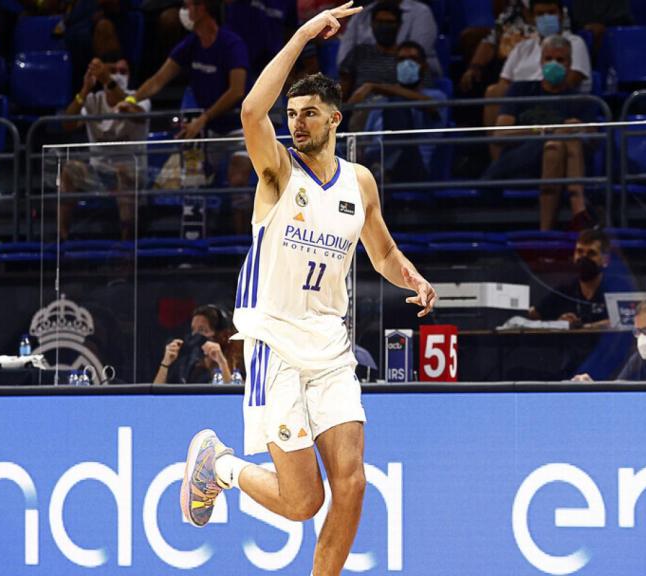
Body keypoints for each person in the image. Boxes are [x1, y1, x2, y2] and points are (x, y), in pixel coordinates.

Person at [179, 6, 438, 576]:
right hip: (274, 347)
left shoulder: (358, 182)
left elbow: (384, 253)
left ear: (335, 119)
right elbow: (251, 109)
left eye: (309, 113)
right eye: (292, 114)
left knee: (352, 484)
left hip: (330, 351)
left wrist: (412, 277)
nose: (297, 122)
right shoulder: (277, 172)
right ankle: (218, 465)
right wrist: (300, 35)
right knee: (304, 503)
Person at [124, 0, 251, 230]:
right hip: (207, 130)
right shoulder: (190, 45)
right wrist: (131, 99)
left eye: (189, 5)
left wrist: (203, 118)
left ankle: (242, 247)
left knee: (238, 180)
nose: (184, 11)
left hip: (237, 127)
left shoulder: (232, 44)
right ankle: (193, 247)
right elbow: (157, 81)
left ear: (202, 9)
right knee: (193, 178)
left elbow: (237, 91)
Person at [484, 34, 596, 231]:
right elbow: (501, 135)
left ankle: (546, 233)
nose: (554, 64)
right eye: (548, 59)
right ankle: (578, 204)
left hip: (558, 164)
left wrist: (578, 127)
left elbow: (594, 139)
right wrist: (547, 130)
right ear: (540, 61)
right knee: (559, 137)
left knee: (555, 147)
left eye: (560, 60)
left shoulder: (580, 99)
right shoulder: (521, 90)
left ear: (570, 64)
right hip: (519, 158)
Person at [59, 54, 150, 241]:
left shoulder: (139, 98)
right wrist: (84, 90)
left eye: (123, 72)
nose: (118, 75)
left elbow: (137, 114)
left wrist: (107, 80)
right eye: (112, 71)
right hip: (98, 174)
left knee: (122, 173)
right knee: (69, 170)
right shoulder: (93, 100)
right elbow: (67, 125)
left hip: (132, 173)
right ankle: (62, 238)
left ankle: (127, 244)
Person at [483, 0, 591, 133]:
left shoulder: (575, 43)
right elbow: (503, 82)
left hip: (556, 99)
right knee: (494, 92)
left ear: (561, 16)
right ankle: (497, 149)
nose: (546, 18)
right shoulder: (522, 47)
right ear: (531, 18)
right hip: (519, 101)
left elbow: (570, 81)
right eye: (540, 14)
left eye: (551, 13)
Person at [347, 40, 447, 182]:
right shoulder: (380, 101)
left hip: (414, 164)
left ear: (424, 66)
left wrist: (375, 86)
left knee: (397, 104)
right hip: (373, 157)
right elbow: (365, 139)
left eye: (413, 59)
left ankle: (382, 170)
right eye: (401, 60)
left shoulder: (436, 96)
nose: (407, 64)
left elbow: (429, 105)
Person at [528, 228, 621, 328]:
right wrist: (559, 323)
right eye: (579, 252)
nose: (584, 257)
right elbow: (534, 314)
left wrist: (585, 326)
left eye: (591, 253)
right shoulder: (564, 290)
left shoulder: (617, 287)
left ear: (605, 260)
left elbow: (628, 320)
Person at [336, 0, 441, 77]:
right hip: (364, 77)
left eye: (389, 23)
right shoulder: (361, 14)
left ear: (400, 25)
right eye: (380, 22)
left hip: (410, 76)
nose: (384, 27)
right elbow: (343, 59)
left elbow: (416, 54)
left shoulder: (421, 12)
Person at [155, 304, 242, 384]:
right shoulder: (187, 365)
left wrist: (222, 362)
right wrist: (165, 363)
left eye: (202, 330)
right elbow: (154, 397)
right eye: (193, 330)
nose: (196, 336)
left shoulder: (238, 364)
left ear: (221, 335)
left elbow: (231, 397)